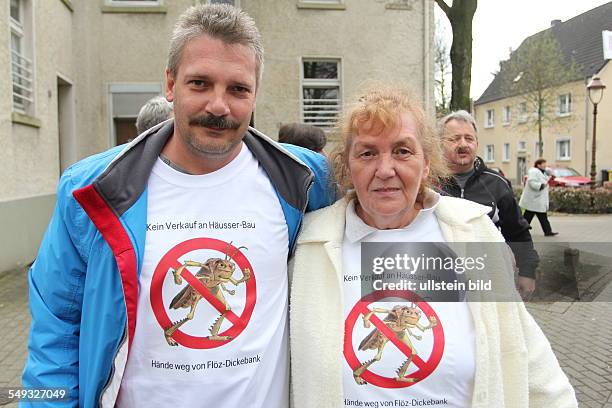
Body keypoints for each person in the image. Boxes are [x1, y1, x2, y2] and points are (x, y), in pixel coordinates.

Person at [21, 4, 333, 407]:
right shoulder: (91, 191)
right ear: (171, 84)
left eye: (238, 88)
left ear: (255, 92)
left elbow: (384, 215)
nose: (218, 106)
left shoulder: (303, 180)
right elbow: (56, 333)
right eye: (200, 83)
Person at [289, 86, 577, 408]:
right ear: (347, 167)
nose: (385, 170)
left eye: (402, 151)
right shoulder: (311, 244)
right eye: (368, 153)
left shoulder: (471, 233)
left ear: (427, 164)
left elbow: (527, 356)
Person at [437, 110, 539, 300]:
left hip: (489, 280)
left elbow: (517, 231)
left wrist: (527, 271)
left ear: (476, 143)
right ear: (440, 143)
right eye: (454, 139)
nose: (463, 144)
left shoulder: (497, 183)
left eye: (469, 138)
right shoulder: (427, 184)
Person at [519, 159, 558, 236]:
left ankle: (547, 231)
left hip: (537, 200)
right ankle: (521, 231)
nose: (545, 165)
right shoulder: (534, 172)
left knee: (540, 217)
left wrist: (548, 170)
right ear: (538, 165)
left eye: (545, 164)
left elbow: (551, 173)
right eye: (543, 164)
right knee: (529, 217)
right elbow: (532, 182)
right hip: (534, 199)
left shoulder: (542, 171)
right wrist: (541, 186)